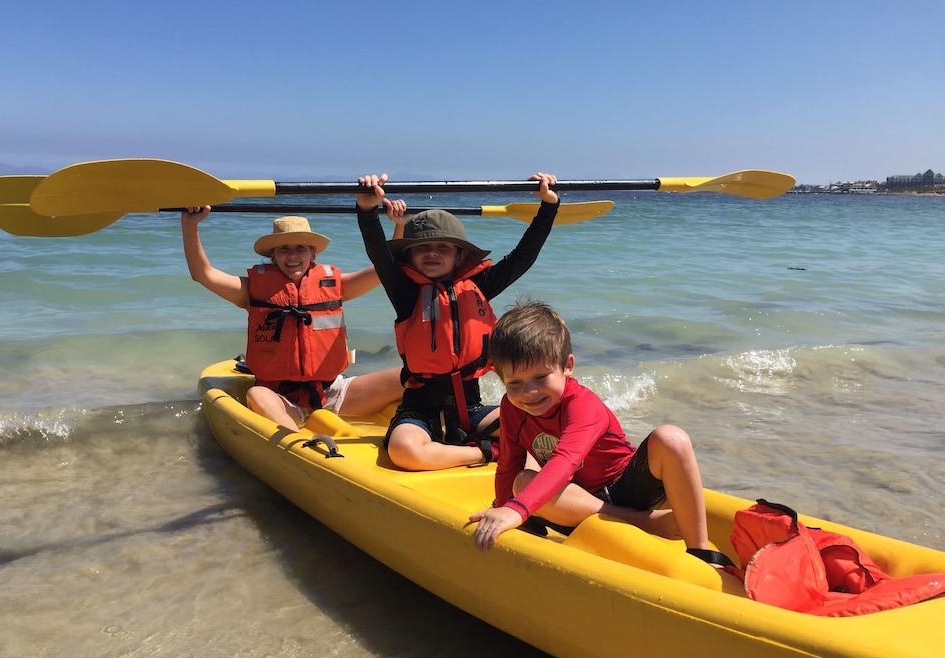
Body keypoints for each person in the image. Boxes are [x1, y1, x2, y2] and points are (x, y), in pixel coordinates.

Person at [468, 299, 731, 568]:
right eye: (515, 382)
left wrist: (517, 509)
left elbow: (564, 462)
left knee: (671, 438)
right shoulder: (512, 408)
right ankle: (641, 522)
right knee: (522, 481)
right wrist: (502, 510)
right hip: (573, 505)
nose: (529, 392)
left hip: (625, 489)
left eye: (541, 377)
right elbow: (509, 464)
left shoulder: (583, 405)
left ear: (567, 365)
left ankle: (701, 553)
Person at [355, 172, 560, 471]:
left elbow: (522, 257)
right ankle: (485, 452)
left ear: (460, 255)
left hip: (472, 410)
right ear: (409, 256)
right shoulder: (405, 291)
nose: (432, 253)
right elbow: (378, 253)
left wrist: (548, 207)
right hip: (419, 412)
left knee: (544, 429)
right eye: (422, 248)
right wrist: (366, 210)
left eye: (443, 247)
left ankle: (478, 448)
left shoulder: (480, 285)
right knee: (403, 451)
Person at [181, 206, 405, 432]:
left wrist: (399, 224)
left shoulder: (338, 286)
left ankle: (417, 426)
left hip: (332, 392)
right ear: (273, 256)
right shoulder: (250, 291)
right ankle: (298, 442)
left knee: (409, 375)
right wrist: (190, 225)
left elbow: (385, 267)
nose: (292, 255)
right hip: (281, 398)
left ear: (313, 254)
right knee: (257, 394)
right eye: (284, 249)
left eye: (300, 248)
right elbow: (203, 274)